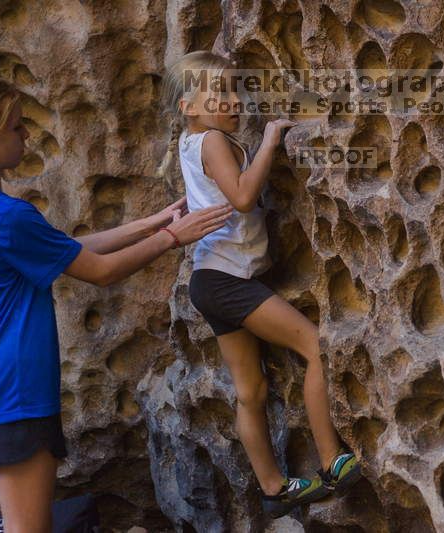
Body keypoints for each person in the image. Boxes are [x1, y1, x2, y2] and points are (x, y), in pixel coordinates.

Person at [0, 74, 233, 532]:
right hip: (16, 394)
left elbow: (66, 250)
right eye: (16, 127)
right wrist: (174, 238)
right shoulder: (6, 216)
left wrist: (153, 224)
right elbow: (100, 271)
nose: (26, 135)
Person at [160, 51, 362, 519]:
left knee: (250, 392)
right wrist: (270, 140)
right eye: (219, 94)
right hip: (228, 280)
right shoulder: (212, 140)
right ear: (188, 105)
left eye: (235, 90)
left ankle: (274, 488)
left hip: (209, 281)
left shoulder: (191, 143)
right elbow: (245, 198)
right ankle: (333, 460)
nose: (233, 101)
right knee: (314, 346)